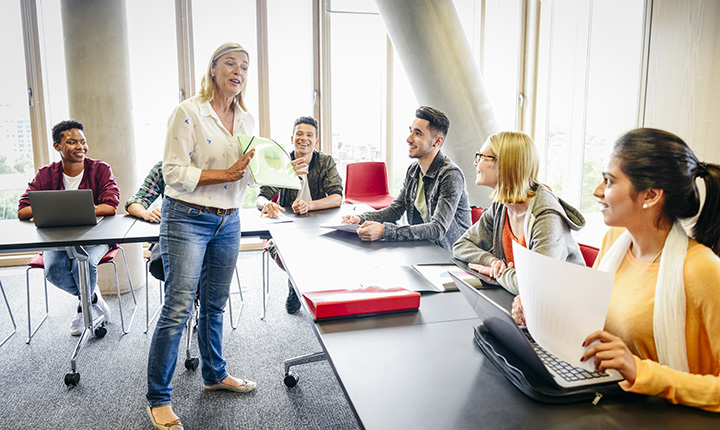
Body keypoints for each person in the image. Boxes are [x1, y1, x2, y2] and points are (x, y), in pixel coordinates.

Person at [514, 128, 720, 412]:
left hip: (665, 415)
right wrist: (539, 312)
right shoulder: (614, 243)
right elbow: (592, 320)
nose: (597, 191)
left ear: (650, 195)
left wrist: (640, 371)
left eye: (609, 181)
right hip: (612, 401)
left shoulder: (702, 270)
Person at [146, 42, 257, 430]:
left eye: (245, 66)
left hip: (229, 219)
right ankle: (158, 398)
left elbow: (249, 177)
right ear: (213, 69)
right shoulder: (188, 112)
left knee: (215, 304)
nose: (238, 70)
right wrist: (225, 175)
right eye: (230, 63)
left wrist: (282, 172)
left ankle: (214, 375)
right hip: (186, 218)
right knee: (177, 308)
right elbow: (172, 172)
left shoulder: (247, 120)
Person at [17, 120, 118, 336]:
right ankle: (90, 298)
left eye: (83, 142)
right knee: (53, 270)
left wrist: (90, 209)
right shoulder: (45, 174)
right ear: (57, 146)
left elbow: (110, 206)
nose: (80, 147)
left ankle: (84, 310)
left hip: (95, 237)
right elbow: (23, 209)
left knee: (84, 263)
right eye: (72, 142)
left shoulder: (100, 169)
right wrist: (48, 211)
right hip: (57, 239)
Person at [452, 131, 585, 294]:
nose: (475, 163)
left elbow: (535, 286)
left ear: (503, 165)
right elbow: (461, 245)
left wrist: (499, 273)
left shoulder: (546, 217)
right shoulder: (501, 206)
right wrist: (491, 262)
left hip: (561, 310)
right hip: (522, 303)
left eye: (481, 157)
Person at [342, 106, 471, 251]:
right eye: (411, 131)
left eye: (418, 133)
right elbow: (395, 210)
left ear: (437, 141)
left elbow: (438, 229)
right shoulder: (414, 171)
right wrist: (360, 219)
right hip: (423, 248)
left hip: (450, 256)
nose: (409, 139)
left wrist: (385, 231)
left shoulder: (450, 175)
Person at [256, 116, 343, 314]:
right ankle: (296, 282)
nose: (304, 138)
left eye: (309, 135)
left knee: (332, 252)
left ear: (316, 141)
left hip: (319, 225)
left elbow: (337, 197)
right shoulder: (281, 162)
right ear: (292, 137)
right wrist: (267, 204)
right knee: (279, 252)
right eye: (300, 134)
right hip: (287, 227)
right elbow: (260, 197)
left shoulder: (325, 161)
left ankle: (299, 283)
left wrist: (309, 206)